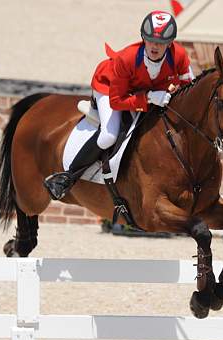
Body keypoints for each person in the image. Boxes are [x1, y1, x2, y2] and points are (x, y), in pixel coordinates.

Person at [44, 10, 195, 200]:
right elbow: (117, 100)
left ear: (170, 43)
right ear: (143, 38)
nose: (155, 46)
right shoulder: (127, 59)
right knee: (109, 135)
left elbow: (188, 83)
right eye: (150, 40)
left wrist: (174, 91)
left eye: (161, 42)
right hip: (109, 87)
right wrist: (148, 97)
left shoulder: (179, 55)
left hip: (144, 89)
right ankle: (67, 177)